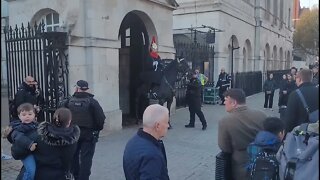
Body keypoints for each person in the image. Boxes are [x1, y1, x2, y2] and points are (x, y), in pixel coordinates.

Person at [15, 108, 80, 180]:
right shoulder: (73, 140)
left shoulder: (38, 135)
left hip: (38, 174)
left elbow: (16, 152)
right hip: (60, 175)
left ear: (53, 119)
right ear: (69, 121)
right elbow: (73, 163)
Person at [60, 80, 106, 180]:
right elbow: (100, 119)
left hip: (72, 133)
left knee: (73, 157)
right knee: (86, 159)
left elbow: (61, 116)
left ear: (76, 88)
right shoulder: (92, 102)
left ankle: (75, 176)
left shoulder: (68, 101)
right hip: (88, 135)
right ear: (87, 89)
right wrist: (97, 129)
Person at [218, 88, 267, 180]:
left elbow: (225, 148)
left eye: (225, 100)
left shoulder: (225, 121)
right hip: (263, 163)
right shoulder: (262, 115)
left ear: (234, 103)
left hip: (240, 167)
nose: (224, 103)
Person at [123, 104, 170, 180]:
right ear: (157, 126)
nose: (168, 125)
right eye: (167, 122)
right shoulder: (152, 155)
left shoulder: (133, 141)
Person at [6, 103, 38, 180]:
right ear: (19, 116)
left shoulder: (36, 125)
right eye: (24, 115)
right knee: (31, 170)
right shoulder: (17, 127)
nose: (27, 116)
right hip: (24, 153)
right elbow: (19, 138)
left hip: (34, 152)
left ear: (34, 115)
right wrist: (29, 145)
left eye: (30, 114)